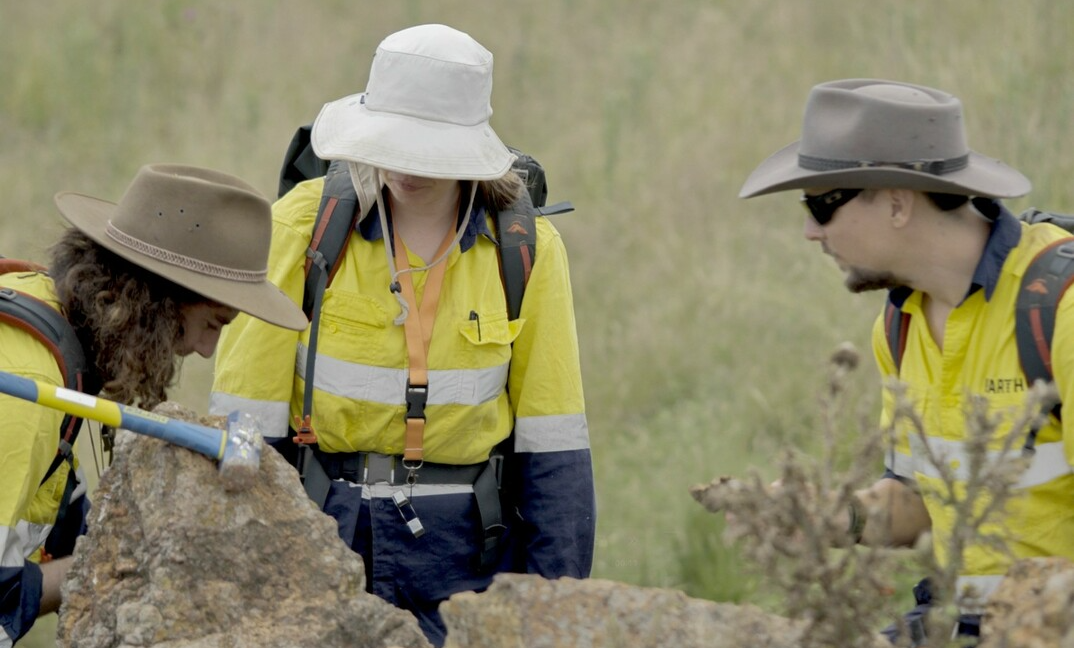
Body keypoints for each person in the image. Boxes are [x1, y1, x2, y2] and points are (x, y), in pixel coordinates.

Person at [209, 23, 595, 646]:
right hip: (320, 539)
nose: (405, 168)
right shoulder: (301, 228)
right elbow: (245, 427)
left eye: (428, 150)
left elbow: (555, 449)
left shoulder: (526, 249)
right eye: (394, 144)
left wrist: (559, 612)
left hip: (470, 560)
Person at [738, 79, 1074, 644]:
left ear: (897, 202)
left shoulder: (1059, 310)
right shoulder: (897, 328)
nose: (809, 231)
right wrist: (828, 517)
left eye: (823, 204)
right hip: (957, 622)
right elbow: (921, 503)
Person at [0, 163, 308, 646]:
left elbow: (52, 528)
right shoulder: (28, 387)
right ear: (156, 305)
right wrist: (132, 561)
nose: (207, 351)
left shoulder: (50, 317)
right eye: (212, 324)